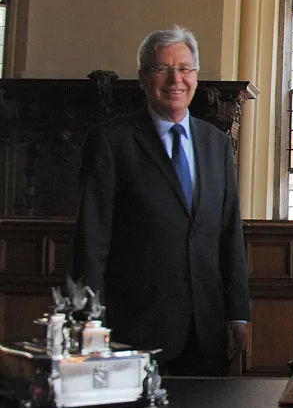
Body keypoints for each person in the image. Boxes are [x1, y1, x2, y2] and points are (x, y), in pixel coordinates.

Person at [72, 25, 251, 376]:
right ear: (143, 78)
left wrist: (238, 314)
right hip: (133, 328)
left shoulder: (216, 144)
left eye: (184, 69)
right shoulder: (111, 142)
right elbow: (91, 239)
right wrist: (88, 320)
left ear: (195, 76)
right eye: (162, 69)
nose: (175, 80)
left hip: (207, 330)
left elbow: (230, 233)